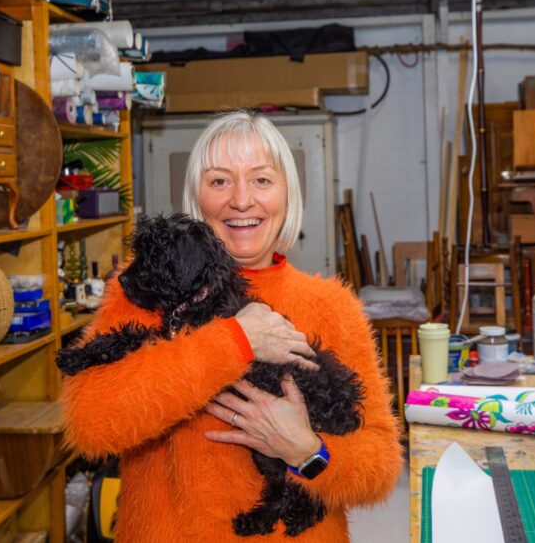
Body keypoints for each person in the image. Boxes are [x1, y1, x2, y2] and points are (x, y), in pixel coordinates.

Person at [61, 111, 403, 542]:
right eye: (220, 181)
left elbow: (381, 465)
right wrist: (236, 341)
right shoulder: (147, 286)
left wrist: (308, 451)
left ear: (287, 194)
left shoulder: (331, 305)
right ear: (196, 196)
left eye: (261, 180)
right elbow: (91, 426)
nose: (241, 200)